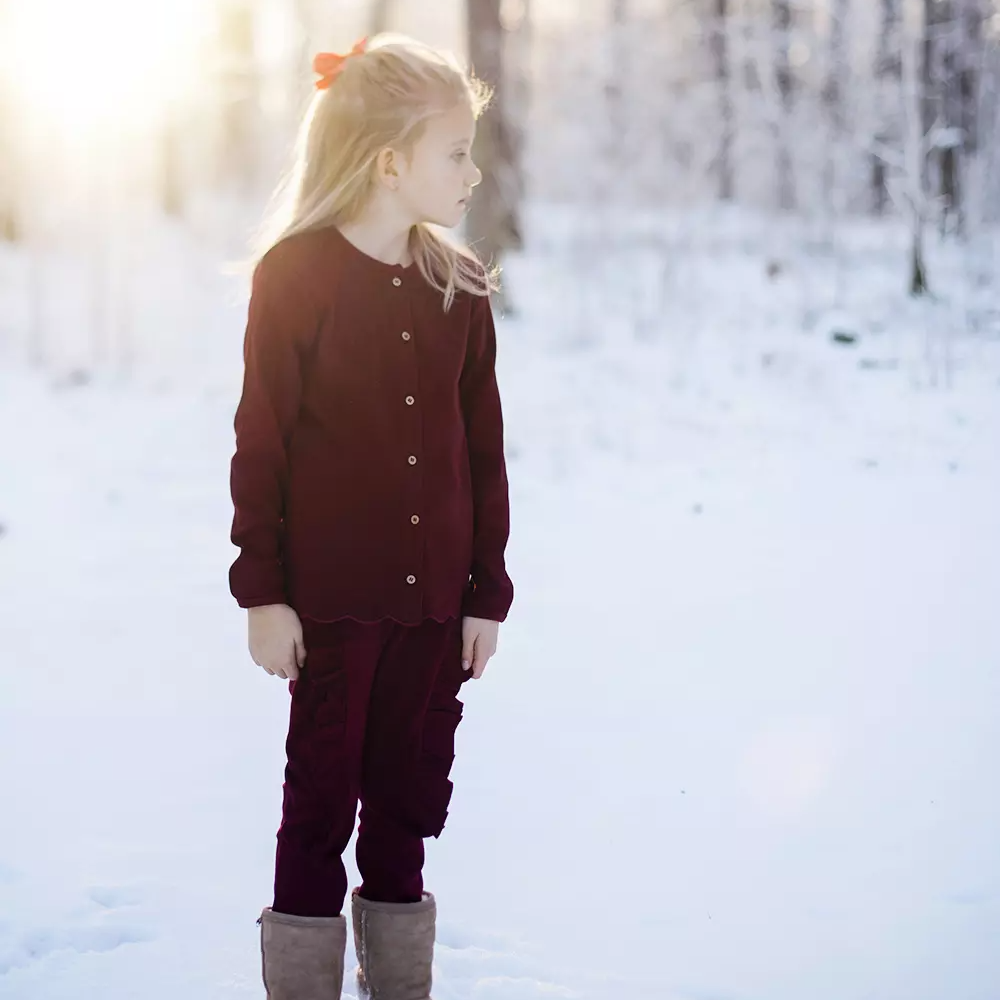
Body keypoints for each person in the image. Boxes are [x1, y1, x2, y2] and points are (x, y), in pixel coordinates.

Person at [226, 33, 514, 1000]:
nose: (473, 172)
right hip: (335, 608)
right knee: (318, 812)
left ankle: (400, 984)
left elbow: (483, 458)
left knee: (406, 810)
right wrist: (263, 594)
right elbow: (259, 444)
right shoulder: (295, 277)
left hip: (435, 612)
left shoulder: (460, 288)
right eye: (457, 153)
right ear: (390, 161)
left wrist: (488, 594)